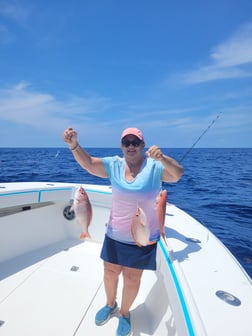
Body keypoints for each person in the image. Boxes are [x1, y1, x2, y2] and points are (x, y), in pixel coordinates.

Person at [63, 127, 183, 336]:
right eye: (126, 142)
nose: (130, 146)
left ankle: (125, 313)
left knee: (132, 278)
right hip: (115, 234)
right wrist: (73, 145)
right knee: (110, 273)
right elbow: (89, 164)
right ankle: (110, 305)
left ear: (142, 146)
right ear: (121, 146)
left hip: (143, 237)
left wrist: (162, 157)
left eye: (135, 142)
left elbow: (177, 174)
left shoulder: (155, 166)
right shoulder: (114, 164)